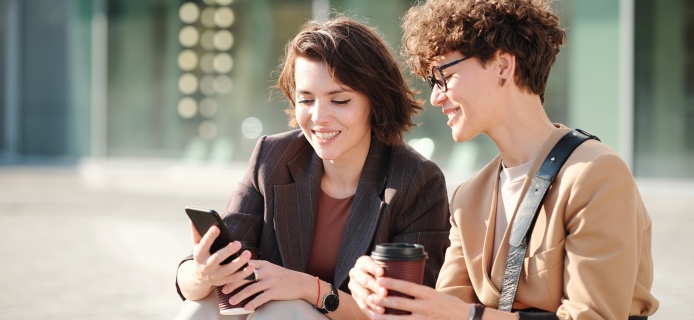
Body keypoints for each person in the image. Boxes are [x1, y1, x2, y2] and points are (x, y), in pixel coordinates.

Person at [348, 0, 659, 319]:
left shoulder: (595, 174)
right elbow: (442, 312)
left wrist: (470, 315)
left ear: (502, 66)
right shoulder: (469, 197)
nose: (436, 96)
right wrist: (377, 294)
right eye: (432, 82)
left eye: (444, 76)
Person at [174, 15, 451, 320]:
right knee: (199, 307)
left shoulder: (417, 180)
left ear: (377, 101)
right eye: (306, 100)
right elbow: (194, 278)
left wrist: (313, 290)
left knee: (283, 310)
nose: (319, 117)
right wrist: (203, 273)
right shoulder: (273, 157)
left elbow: (411, 311)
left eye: (340, 100)